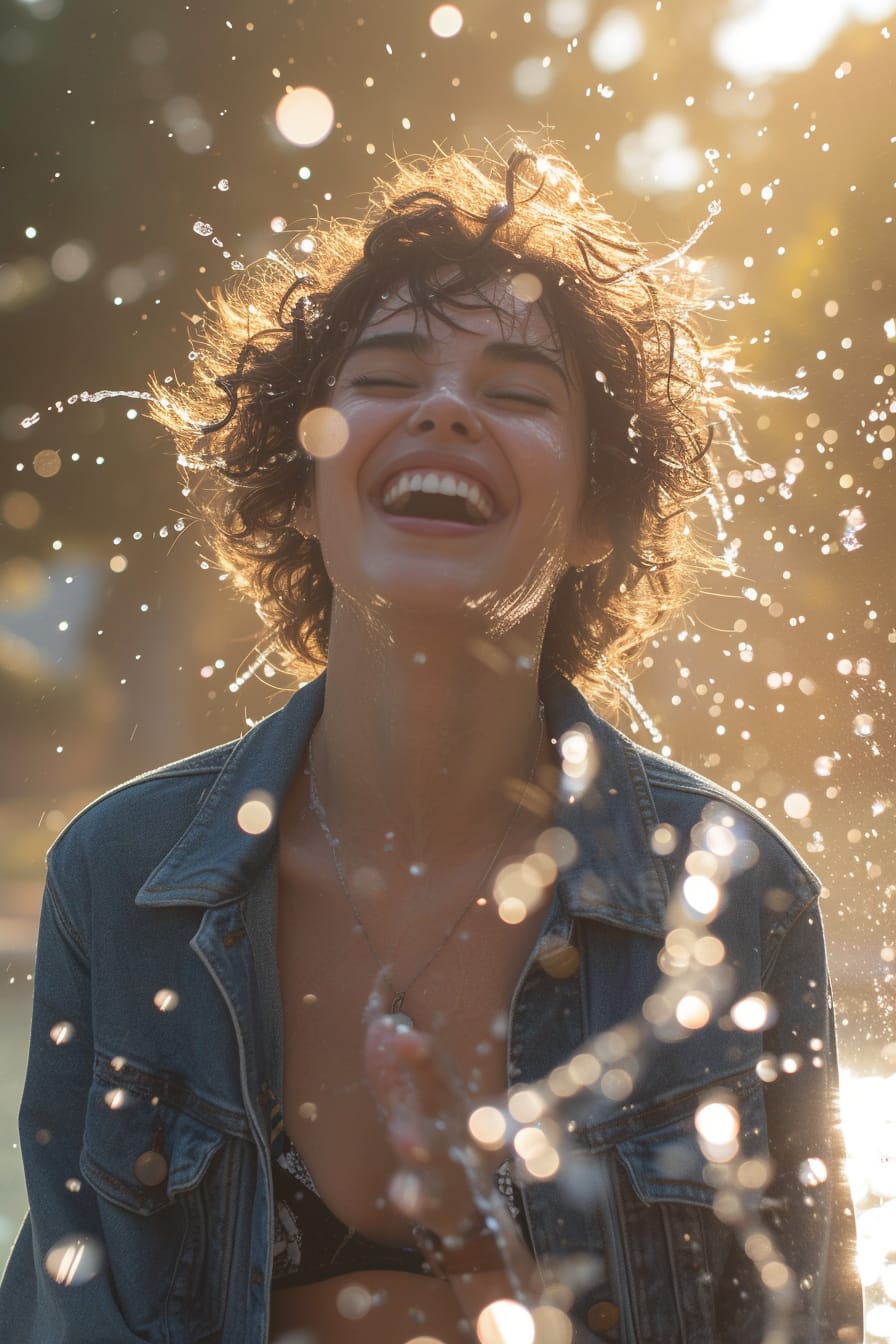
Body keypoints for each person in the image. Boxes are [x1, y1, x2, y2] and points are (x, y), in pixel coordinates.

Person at [0, 144, 863, 1343]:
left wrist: (481, 1256)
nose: (443, 407)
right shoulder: (120, 876)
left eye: (516, 393)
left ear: (596, 515)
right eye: (387, 374)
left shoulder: (731, 898)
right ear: (300, 481)